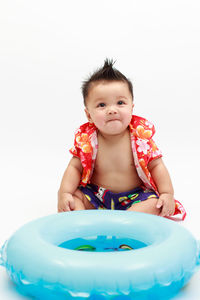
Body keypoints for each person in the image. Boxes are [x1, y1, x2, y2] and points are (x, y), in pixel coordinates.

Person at [58, 59, 186, 220]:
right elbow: (75, 167)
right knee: (75, 197)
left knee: (154, 203)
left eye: (120, 102)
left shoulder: (140, 138)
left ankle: (128, 218)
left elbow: (157, 165)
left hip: (134, 198)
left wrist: (167, 193)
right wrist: (64, 193)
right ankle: (84, 221)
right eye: (102, 105)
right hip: (97, 196)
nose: (112, 110)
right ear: (88, 115)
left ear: (132, 108)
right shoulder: (87, 140)